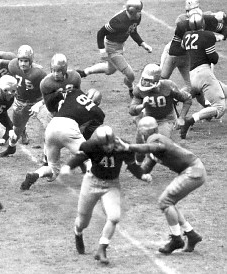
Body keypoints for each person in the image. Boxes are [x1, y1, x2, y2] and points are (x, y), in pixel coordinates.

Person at [59, 126, 150, 264]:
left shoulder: (122, 146)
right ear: (98, 143)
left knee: (114, 217)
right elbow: (80, 157)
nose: (108, 147)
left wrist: (142, 175)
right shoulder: (91, 146)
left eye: (110, 143)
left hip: (111, 184)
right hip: (92, 182)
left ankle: (102, 249)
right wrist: (68, 166)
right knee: (83, 221)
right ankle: (78, 232)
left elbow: (131, 165)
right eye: (105, 144)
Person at [117, 116, 205, 254]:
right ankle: (191, 234)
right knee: (169, 202)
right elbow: (145, 169)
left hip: (192, 171)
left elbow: (152, 147)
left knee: (165, 201)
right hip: (192, 170)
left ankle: (177, 239)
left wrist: (129, 147)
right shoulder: (154, 143)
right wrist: (130, 164)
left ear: (143, 132)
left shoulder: (155, 139)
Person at [19, 53, 104, 190]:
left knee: (52, 168)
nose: (56, 74)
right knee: (89, 156)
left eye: (59, 71)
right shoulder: (97, 111)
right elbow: (89, 128)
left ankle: (35, 174)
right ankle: (94, 184)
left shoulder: (73, 92)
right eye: (54, 70)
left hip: (54, 125)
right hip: (65, 124)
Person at [76, 0, 152, 98]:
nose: (140, 13)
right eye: (138, 11)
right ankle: (131, 89)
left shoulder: (136, 17)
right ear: (132, 11)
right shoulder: (117, 21)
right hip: (112, 48)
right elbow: (101, 33)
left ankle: (85, 72)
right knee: (130, 75)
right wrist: (102, 50)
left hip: (120, 45)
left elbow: (132, 30)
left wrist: (142, 43)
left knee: (110, 70)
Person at [160, 0, 227, 104]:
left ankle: (207, 107)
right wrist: (192, 46)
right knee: (162, 79)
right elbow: (173, 49)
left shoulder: (209, 19)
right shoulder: (182, 24)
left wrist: (222, 36)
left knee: (195, 85)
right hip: (175, 55)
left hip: (192, 56)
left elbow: (224, 28)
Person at [129, 63, 192, 162]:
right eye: (144, 79)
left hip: (166, 119)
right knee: (140, 145)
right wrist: (142, 106)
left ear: (156, 80)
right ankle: (138, 165)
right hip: (148, 118)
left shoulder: (168, 86)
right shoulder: (139, 89)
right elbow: (131, 110)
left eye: (148, 80)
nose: (144, 83)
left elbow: (187, 99)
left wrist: (181, 117)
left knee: (161, 149)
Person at [180, 12, 226, 139]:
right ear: (203, 24)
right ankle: (191, 120)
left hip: (192, 75)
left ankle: (178, 115)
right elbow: (214, 58)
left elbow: (183, 46)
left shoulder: (186, 35)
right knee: (220, 107)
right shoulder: (207, 35)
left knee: (224, 90)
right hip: (204, 74)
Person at [0, 45, 48, 157]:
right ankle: (11, 147)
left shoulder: (39, 73)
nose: (23, 64)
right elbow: (7, 63)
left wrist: (41, 103)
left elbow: (48, 89)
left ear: (31, 61)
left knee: (48, 127)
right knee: (17, 129)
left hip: (37, 102)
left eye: (26, 61)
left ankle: (47, 156)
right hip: (21, 101)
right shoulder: (13, 66)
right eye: (21, 60)